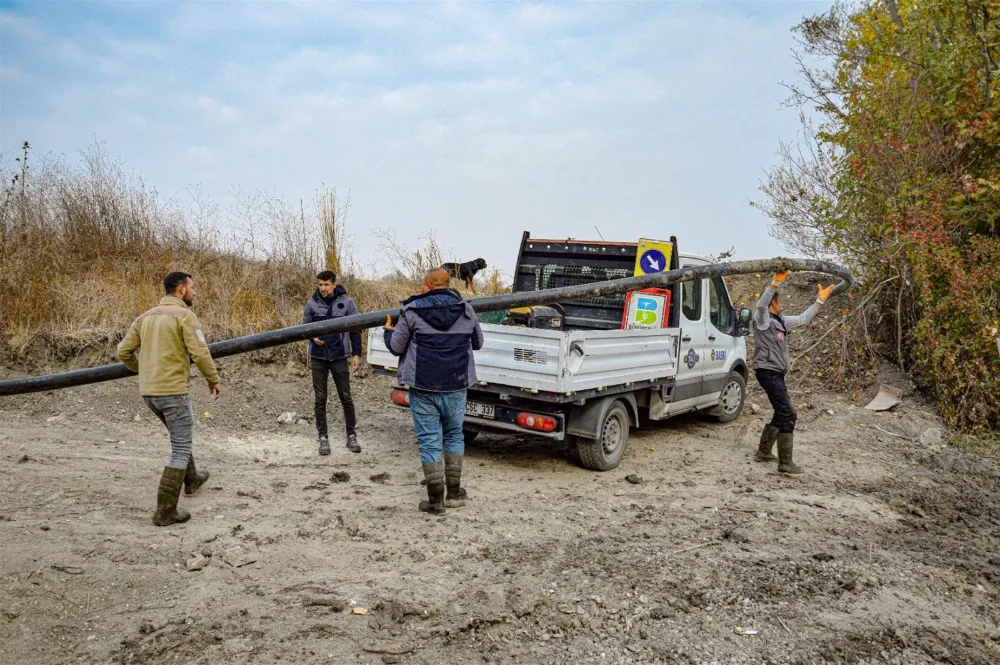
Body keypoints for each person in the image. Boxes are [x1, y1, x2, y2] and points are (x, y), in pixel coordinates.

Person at [117, 271, 222, 526]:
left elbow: (123, 351)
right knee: (181, 448)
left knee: (179, 437)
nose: (195, 292)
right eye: (192, 287)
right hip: (173, 392)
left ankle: (193, 478)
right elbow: (200, 351)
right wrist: (213, 379)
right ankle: (165, 511)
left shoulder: (145, 317)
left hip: (149, 394)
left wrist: (143, 370)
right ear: (180, 289)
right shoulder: (185, 316)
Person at [382, 267, 484, 515]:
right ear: (447, 285)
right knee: (454, 437)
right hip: (457, 384)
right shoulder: (466, 309)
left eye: (421, 284)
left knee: (429, 442)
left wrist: (387, 331)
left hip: (424, 385)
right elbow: (478, 343)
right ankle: (455, 493)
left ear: (427, 285)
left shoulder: (411, 311)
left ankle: (436, 501)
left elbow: (396, 347)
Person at [752, 270, 834, 474]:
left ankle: (763, 452)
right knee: (789, 413)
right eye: (779, 304)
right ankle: (785, 463)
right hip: (767, 371)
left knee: (782, 411)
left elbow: (803, 319)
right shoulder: (763, 320)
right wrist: (774, 283)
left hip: (776, 373)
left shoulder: (781, 321)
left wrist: (819, 301)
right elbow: (761, 305)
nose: (781, 307)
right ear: (774, 304)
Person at [302, 270, 362, 455]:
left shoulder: (347, 303)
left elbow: (356, 329)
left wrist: (356, 353)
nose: (323, 288)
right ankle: (323, 438)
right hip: (319, 357)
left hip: (339, 356)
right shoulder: (311, 304)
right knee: (320, 399)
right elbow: (303, 328)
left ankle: (351, 436)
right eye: (320, 284)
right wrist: (313, 337)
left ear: (334, 284)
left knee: (346, 397)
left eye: (327, 284)